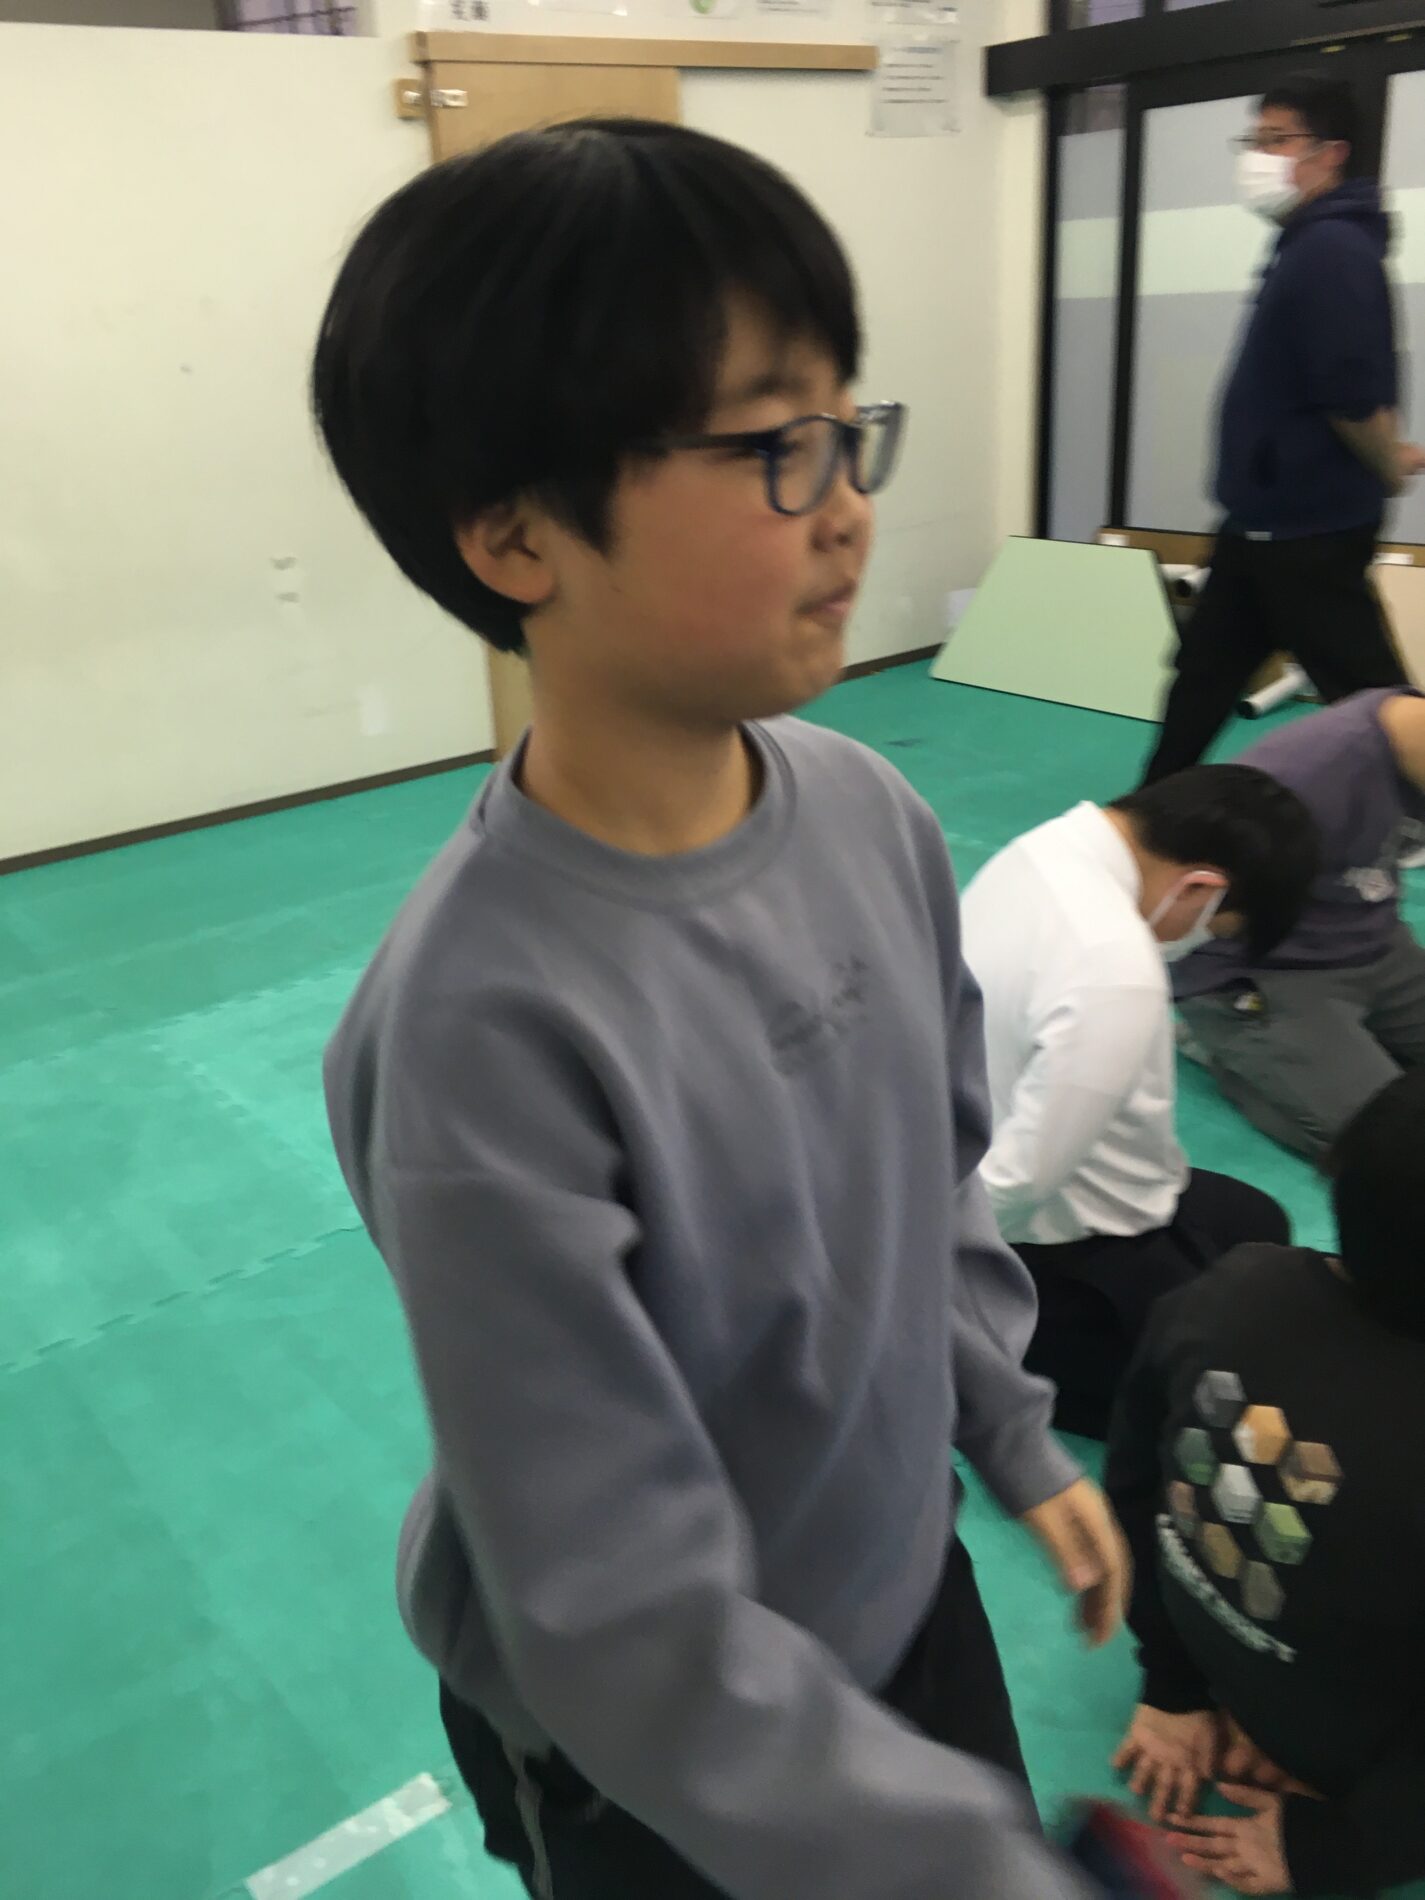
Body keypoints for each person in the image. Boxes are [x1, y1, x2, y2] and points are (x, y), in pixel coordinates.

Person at [312, 119, 1126, 1900]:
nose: (847, 504)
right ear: (514, 533)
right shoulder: (478, 1034)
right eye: (771, 446)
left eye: (846, 425)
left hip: (902, 1599)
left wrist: (1007, 1432)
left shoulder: (871, 814)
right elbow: (624, 1624)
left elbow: (931, 1187)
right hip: (658, 1764)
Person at [1105, 1069, 1425, 1899]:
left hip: (1207, 1661)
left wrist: (1171, 1685)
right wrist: (1340, 1851)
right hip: (1345, 1760)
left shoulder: (1233, 1286)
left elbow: (1134, 1484)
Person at [961, 768, 1317, 1438]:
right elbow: (1016, 1182)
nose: (1198, 942)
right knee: (1220, 1386)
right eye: (1213, 930)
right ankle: (1006, 1344)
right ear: (1199, 887)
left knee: (1254, 1219)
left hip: (982, 1161)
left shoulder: (1043, 849)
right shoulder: (1113, 970)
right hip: (1048, 1245)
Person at [1142, 74, 1424, 787]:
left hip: (1307, 528)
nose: (1258, 157)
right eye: (1254, 140)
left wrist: (1387, 467)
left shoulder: (1331, 249)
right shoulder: (1304, 243)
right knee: (1203, 674)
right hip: (1261, 522)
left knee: (1367, 694)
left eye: (1277, 140)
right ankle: (1151, 808)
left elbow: (1351, 396)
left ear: (1331, 153)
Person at [1176, 687, 1425, 1160]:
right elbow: (1184, 906)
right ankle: (1230, 1051)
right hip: (1257, 971)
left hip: (1375, 942)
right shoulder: (1298, 778)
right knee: (1394, 1150)